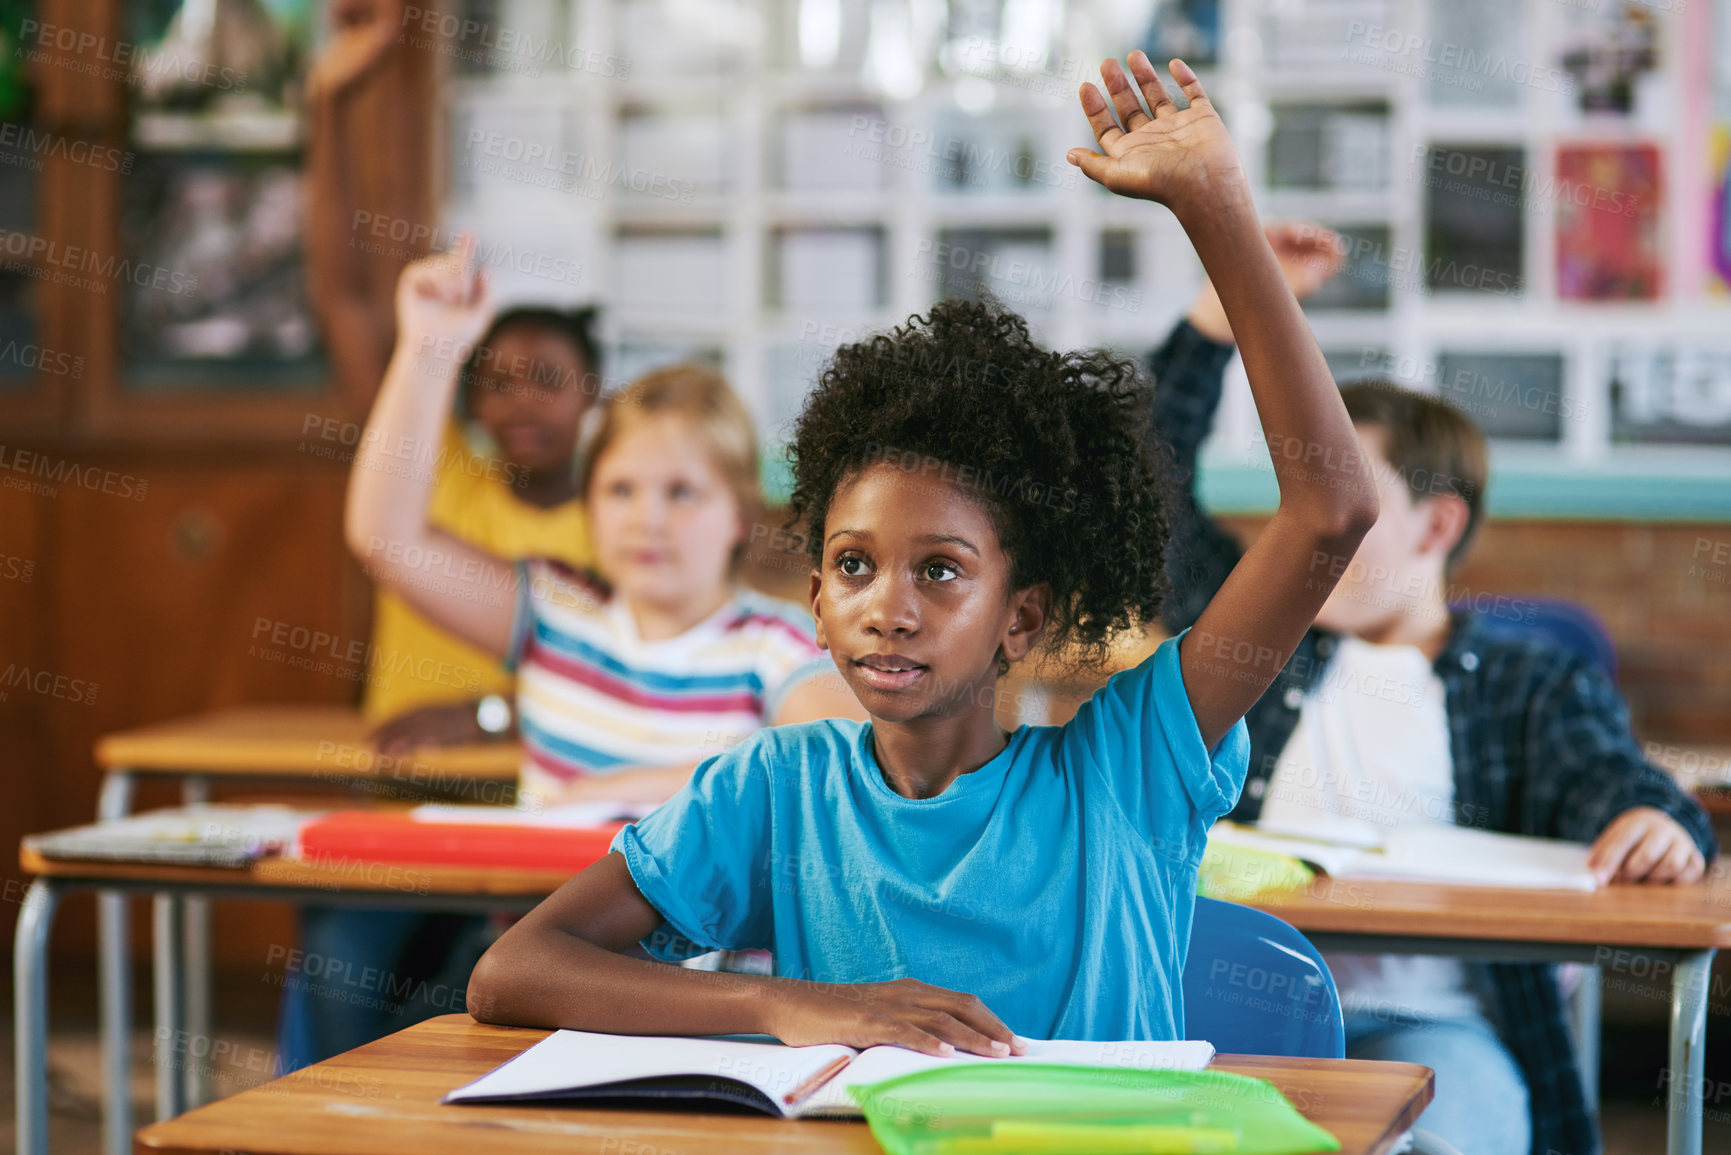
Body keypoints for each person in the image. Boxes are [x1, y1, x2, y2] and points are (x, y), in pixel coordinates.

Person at [460, 53, 1380, 1052]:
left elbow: (1329, 512)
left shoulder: (1130, 763)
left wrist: (1218, 209)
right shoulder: (778, 786)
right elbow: (514, 972)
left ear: (1021, 615)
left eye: (940, 571)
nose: (886, 608)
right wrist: (787, 1003)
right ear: (813, 599)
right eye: (854, 566)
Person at [1155, 225, 1717, 1155]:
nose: (1308, 530)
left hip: (1435, 1033)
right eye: (1297, 502)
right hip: (1222, 1017)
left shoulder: (1528, 682)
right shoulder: (1259, 643)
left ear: (1435, 523)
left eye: (1339, 503)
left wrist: (1659, 820)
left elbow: (1615, 783)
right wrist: (1223, 313)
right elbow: (1154, 487)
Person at [363, 305, 601, 757]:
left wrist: (485, 715)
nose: (522, 402)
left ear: (592, 391)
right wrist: (430, 322)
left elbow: (627, 679)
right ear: (471, 400)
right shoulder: (431, 474)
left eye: (548, 380)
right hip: (400, 781)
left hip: (538, 801)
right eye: (498, 384)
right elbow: (354, 311)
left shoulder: (623, 528)